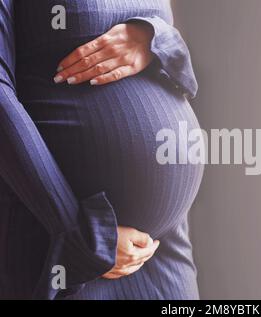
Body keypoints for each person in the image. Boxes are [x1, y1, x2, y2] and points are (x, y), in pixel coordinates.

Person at [0, 0, 203, 299]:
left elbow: (175, 53)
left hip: (161, 246)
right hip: (67, 245)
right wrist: (78, 232)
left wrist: (152, 37)